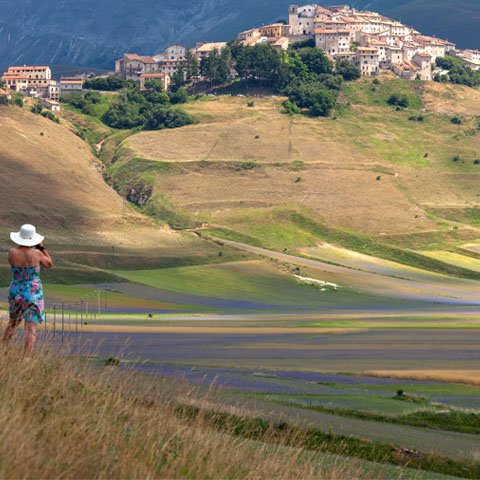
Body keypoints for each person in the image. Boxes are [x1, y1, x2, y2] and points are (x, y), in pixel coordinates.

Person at [3, 224, 53, 353]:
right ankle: (27, 358)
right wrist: (41, 247)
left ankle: (3, 350)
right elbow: (49, 264)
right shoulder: (37, 253)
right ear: (33, 239)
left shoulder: (12, 252)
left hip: (16, 290)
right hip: (32, 292)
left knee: (13, 323)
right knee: (30, 328)